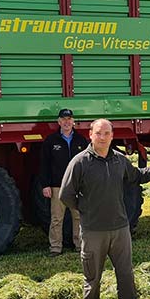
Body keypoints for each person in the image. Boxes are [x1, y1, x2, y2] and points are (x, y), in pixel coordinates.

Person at [59, 119, 150, 299]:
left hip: (120, 230)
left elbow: (137, 176)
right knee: (92, 277)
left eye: (107, 133)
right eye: (99, 133)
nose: (102, 137)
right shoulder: (80, 162)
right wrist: (85, 211)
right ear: (90, 134)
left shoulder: (119, 161)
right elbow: (66, 194)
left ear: (112, 136)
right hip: (93, 231)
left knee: (126, 275)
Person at [40, 109, 90, 257]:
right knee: (56, 218)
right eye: (64, 119)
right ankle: (55, 248)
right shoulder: (51, 141)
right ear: (59, 122)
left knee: (78, 217)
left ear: (73, 121)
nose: (67, 122)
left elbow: (87, 163)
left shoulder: (81, 140)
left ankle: (79, 245)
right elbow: (44, 164)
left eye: (69, 119)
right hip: (57, 186)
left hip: (77, 186)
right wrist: (45, 185)